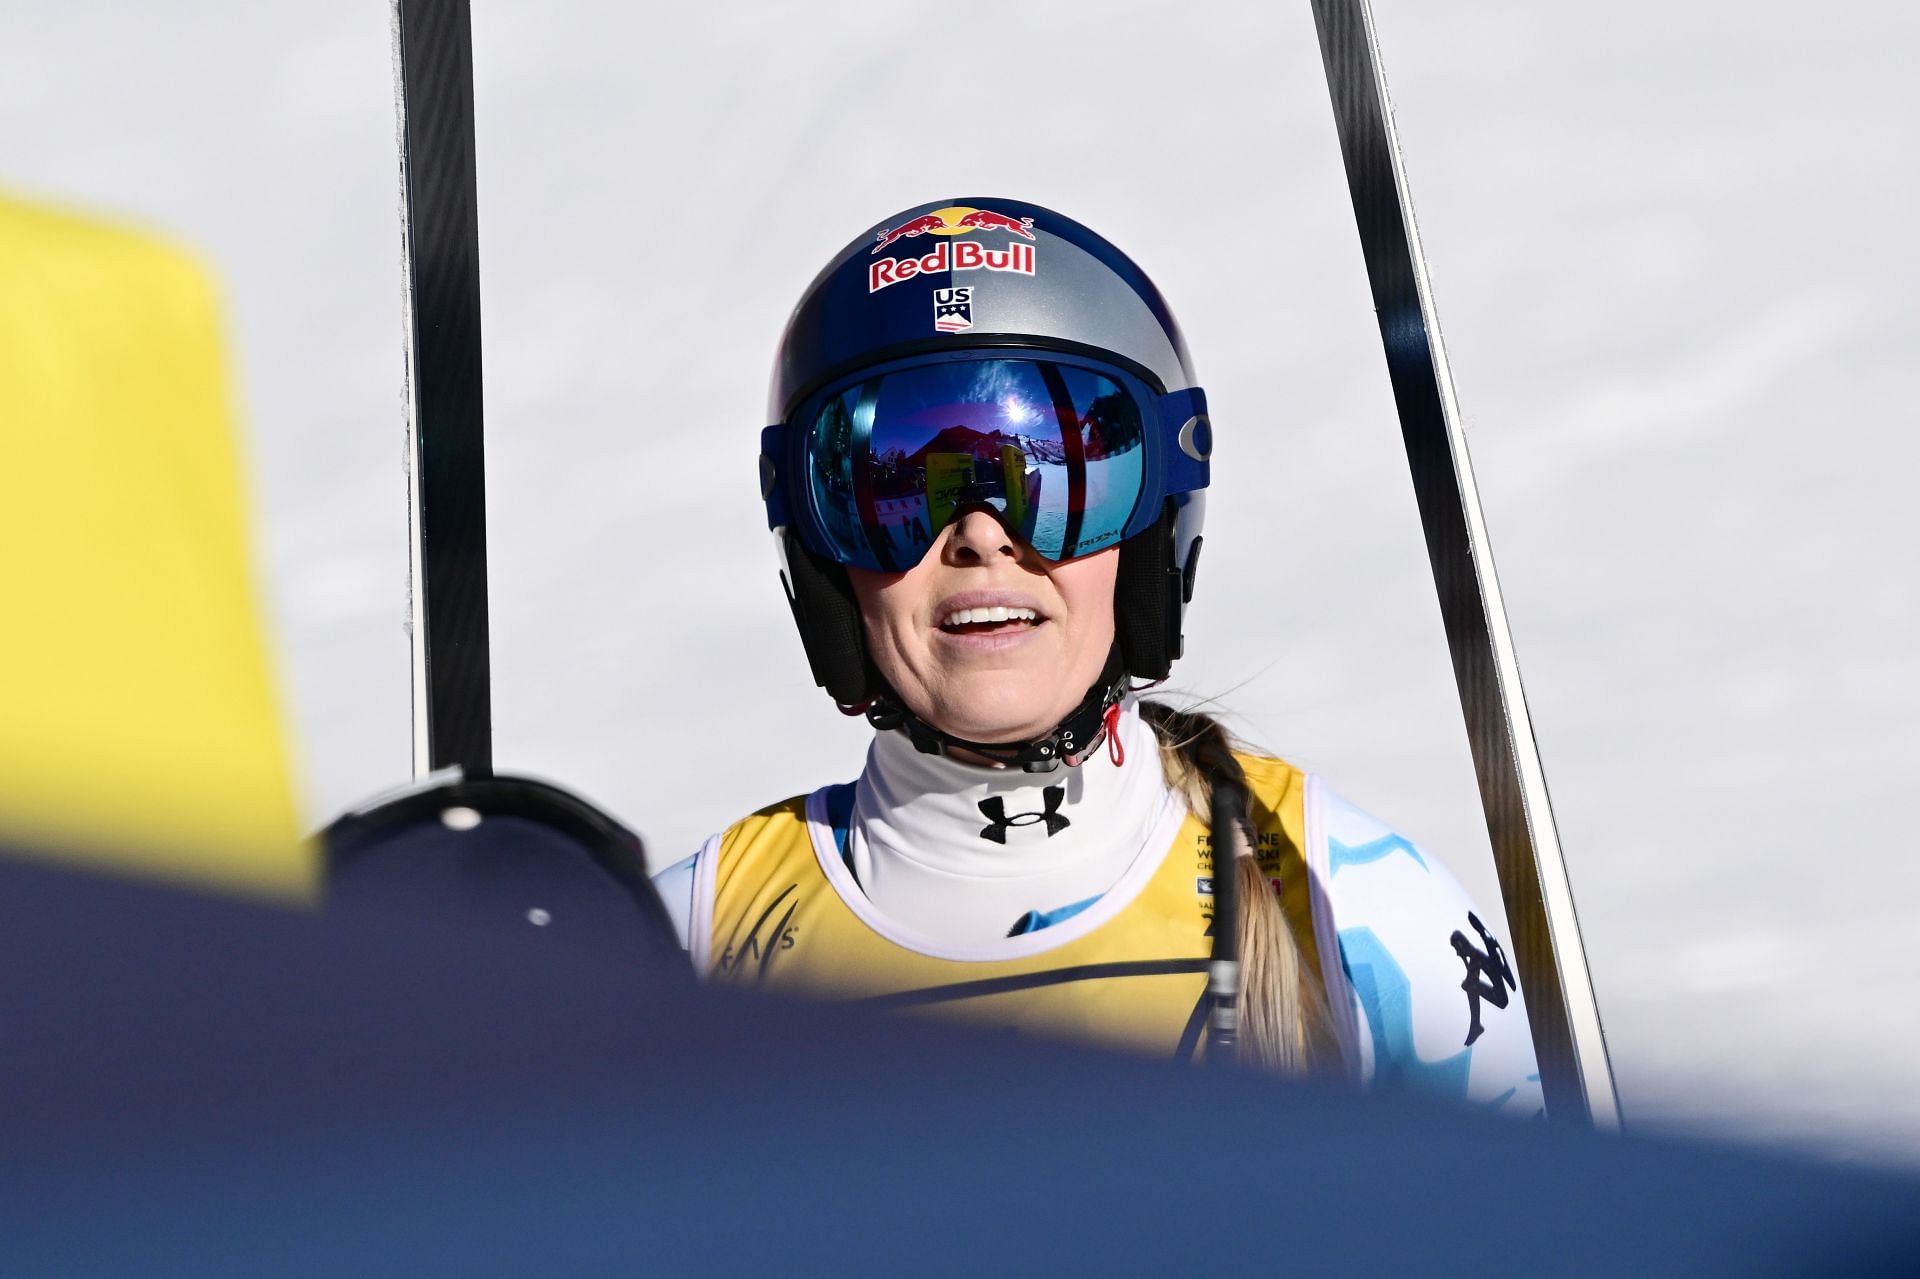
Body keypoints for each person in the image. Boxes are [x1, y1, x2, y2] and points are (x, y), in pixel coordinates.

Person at [655, 198, 1541, 1115]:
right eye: (897, 487)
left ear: (1156, 528)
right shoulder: (679, 954)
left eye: (1053, 476)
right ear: (820, 554)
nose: (980, 539)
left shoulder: (1355, 911)